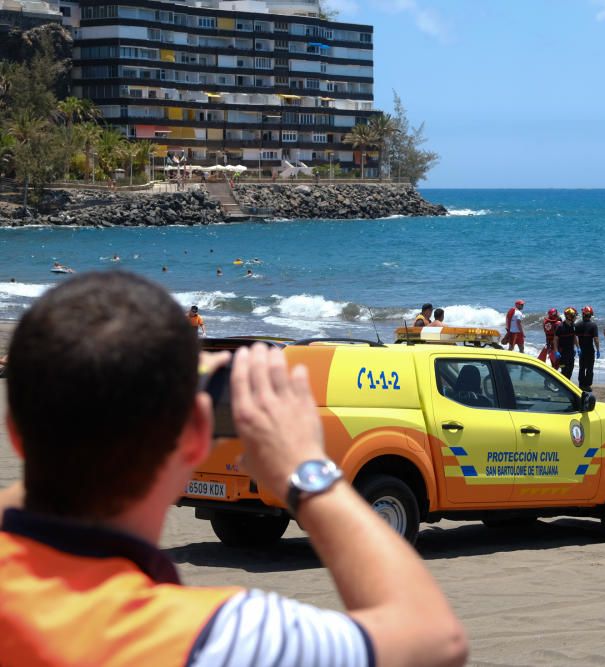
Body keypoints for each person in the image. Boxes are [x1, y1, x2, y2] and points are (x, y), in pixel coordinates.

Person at [0, 271, 467, 667]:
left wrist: (59, 441)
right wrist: (307, 471)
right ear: (197, 436)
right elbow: (433, 639)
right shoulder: (215, 637)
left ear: (15, 430)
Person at [575, 305, 600, 392]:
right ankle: (587, 385)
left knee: (582, 367)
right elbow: (596, 339)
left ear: (583, 314)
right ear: (591, 315)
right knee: (589, 368)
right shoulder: (593, 325)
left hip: (581, 350)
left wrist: (577, 348)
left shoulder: (577, 325)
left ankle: (581, 384)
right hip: (590, 350)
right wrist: (598, 350)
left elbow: (574, 338)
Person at [554, 308, 578, 380]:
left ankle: (566, 386)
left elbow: (574, 337)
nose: (575, 317)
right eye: (574, 316)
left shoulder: (573, 326)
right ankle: (561, 386)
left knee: (570, 370)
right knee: (564, 370)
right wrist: (556, 351)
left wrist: (578, 348)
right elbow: (555, 340)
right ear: (569, 316)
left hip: (571, 352)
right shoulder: (560, 327)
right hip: (562, 354)